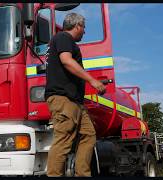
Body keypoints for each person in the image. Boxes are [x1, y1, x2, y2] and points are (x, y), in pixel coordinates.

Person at [45, 12, 106, 177]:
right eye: (84, 27)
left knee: (89, 135)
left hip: (75, 102)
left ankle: (82, 174)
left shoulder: (62, 40)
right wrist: (92, 81)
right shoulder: (64, 37)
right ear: (77, 26)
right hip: (64, 99)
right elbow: (66, 60)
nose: (84, 32)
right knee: (63, 140)